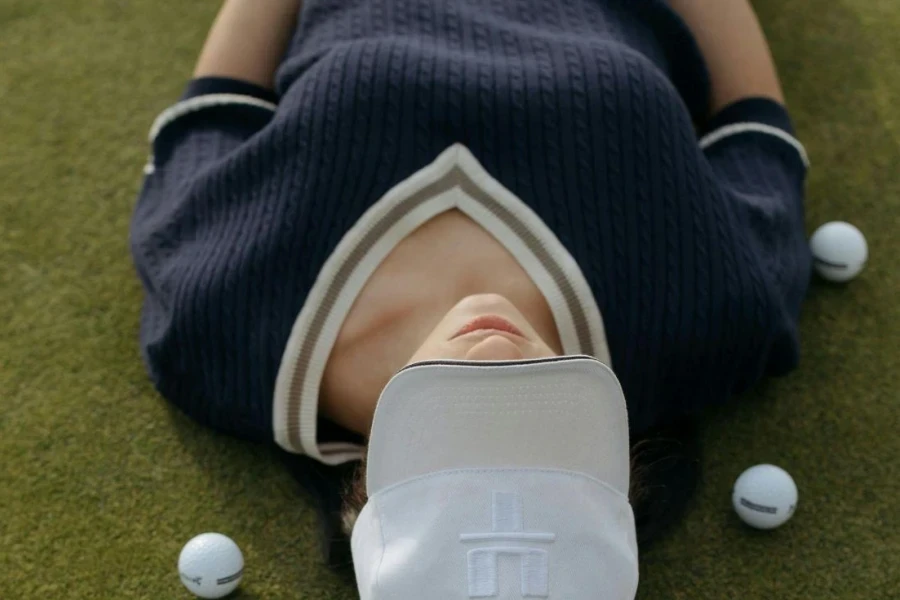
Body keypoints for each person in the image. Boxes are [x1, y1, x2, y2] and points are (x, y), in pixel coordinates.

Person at [130, 0, 811, 595]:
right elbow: (753, 125)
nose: (495, 360)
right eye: (545, 429)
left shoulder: (216, 319)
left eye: (454, 428)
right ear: (623, 474)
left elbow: (221, 102)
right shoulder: (719, 313)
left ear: (362, 494)